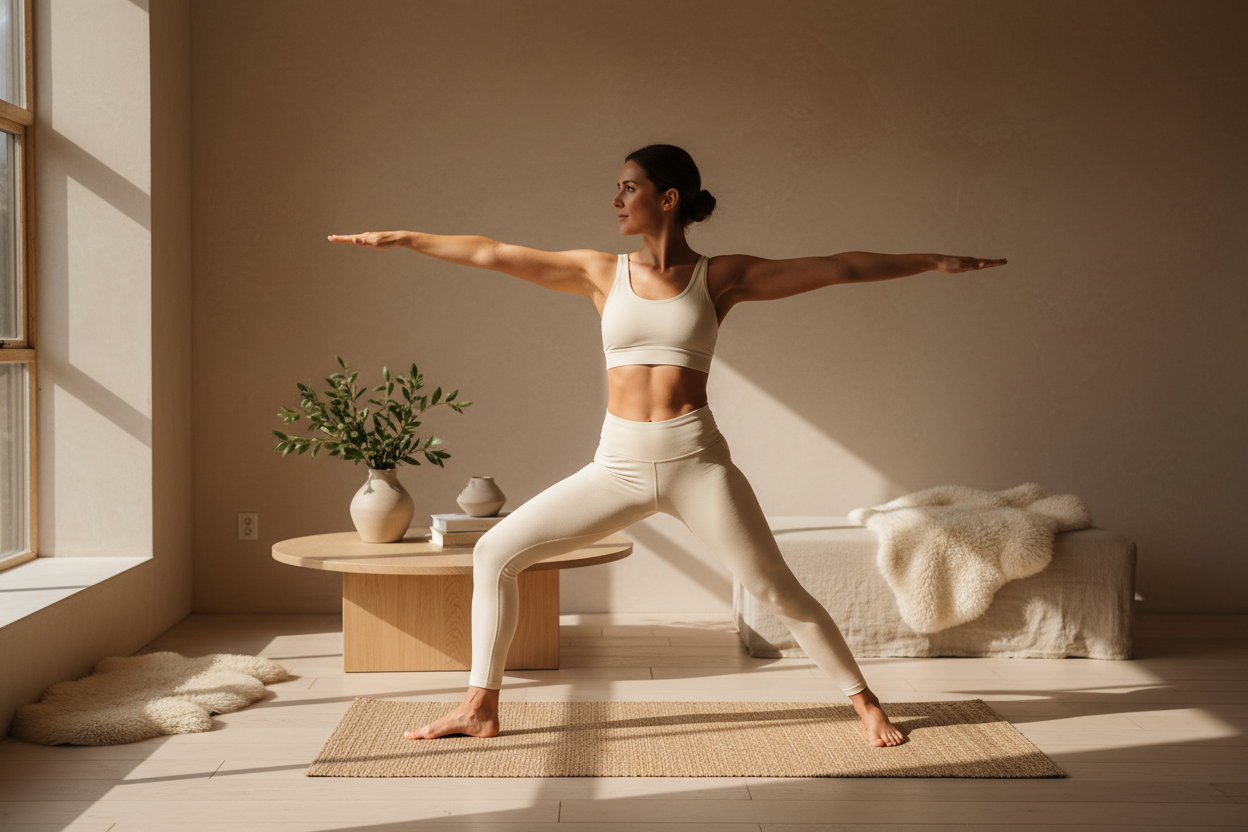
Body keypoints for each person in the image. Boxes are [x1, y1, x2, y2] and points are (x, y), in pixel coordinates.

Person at [328, 143, 1007, 748]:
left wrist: (932, 261)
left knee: (780, 591)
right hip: (616, 466)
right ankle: (479, 705)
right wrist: (402, 237)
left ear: (667, 198)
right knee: (494, 551)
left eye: (629, 187)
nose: (616, 200)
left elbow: (836, 267)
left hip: (695, 463)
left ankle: (864, 704)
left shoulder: (721, 277)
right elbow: (492, 252)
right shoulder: (600, 272)